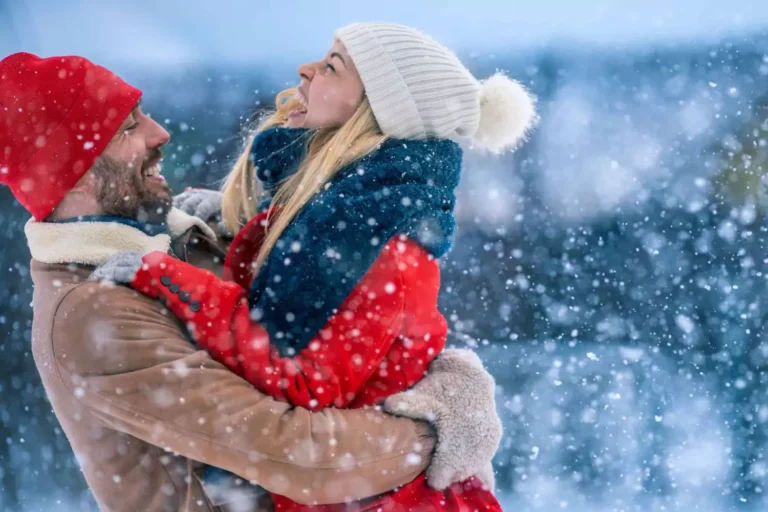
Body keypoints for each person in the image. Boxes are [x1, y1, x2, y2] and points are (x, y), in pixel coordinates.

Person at [0, 51, 503, 511]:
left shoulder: (171, 241)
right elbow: (303, 456)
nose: (160, 133)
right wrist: (436, 426)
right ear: (81, 173)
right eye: (130, 128)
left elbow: (340, 330)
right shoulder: (93, 310)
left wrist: (238, 222)